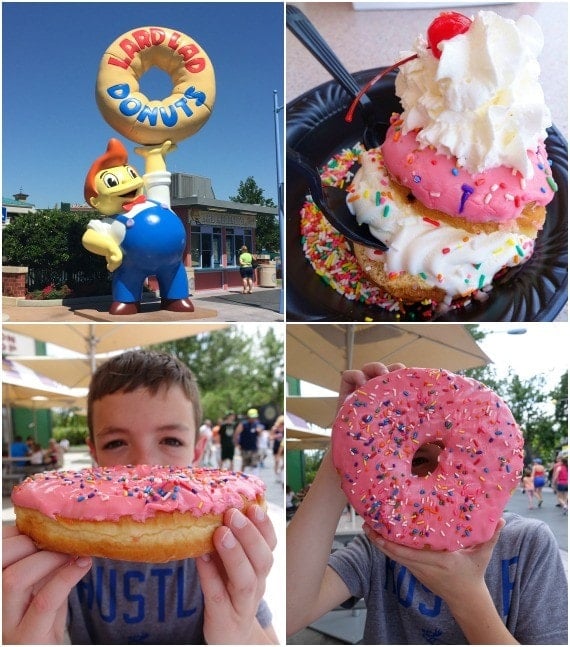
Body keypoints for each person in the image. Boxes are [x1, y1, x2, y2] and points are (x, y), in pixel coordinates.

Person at [3, 350, 278, 645]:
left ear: (198, 450)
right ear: (93, 452)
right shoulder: (53, 556)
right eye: (116, 442)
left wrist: (242, 634)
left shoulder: (224, 556)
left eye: (171, 440)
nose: (144, 466)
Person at [287, 361, 568, 644]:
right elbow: (287, 614)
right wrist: (349, 441)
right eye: (419, 462)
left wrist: (465, 594)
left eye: (464, 464)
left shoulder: (527, 545)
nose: (443, 483)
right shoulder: (380, 548)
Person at [235, 408, 264, 473]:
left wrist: (259, 431)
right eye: (252, 417)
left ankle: (255, 479)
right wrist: (237, 444)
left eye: (255, 417)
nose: (253, 419)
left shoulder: (257, 424)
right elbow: (236, 434)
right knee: (244, 464)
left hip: (254, 448)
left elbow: (260, 434)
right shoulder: (243, 424)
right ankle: (242, 478)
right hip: (245, 448)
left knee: (255, 464)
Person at [271, 415, 284, 482]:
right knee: (277, 461)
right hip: (276, 447)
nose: (282, 425)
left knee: (283, 462)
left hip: (283, 447)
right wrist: (276, 436)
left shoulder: (284, 429)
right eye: (281, 423)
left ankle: (280, 472)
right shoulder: (275, 428)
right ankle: (276, 475)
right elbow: (270, 437)